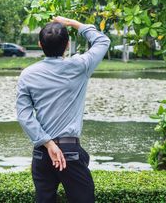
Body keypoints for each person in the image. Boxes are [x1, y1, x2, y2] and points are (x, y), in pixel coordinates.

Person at [16, 16, 110, 203]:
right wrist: (73, 23)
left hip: (42, 153)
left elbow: (24, 115)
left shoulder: (27, 74)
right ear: (67, 45)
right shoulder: (80, 66)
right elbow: (102, 40)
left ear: (40, 45)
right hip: (70, 152)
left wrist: (49, 144)